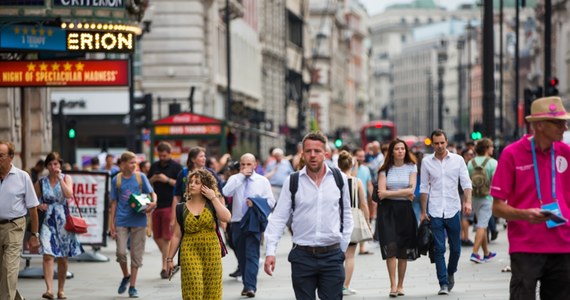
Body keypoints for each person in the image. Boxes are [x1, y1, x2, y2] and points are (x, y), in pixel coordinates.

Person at [491, 96, 570, 299]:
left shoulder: (565, 152)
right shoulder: (512, 154)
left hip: (563, 243)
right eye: (559, 123)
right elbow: (497, 207)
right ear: (540, 125)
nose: (565, 127)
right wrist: (525, 214)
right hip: (526, 245)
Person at [264, 131, 353, 300]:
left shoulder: (338, 179)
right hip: (302, 256)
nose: (313, 155)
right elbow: (278, 218)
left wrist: (342, 248)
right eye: (308, 151)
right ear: (302, 154)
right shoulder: (293, 181)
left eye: (317, 151)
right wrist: (270, 252)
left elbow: (346, 213)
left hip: (332, 255)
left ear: (325, 154)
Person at [419, 129, 472, 295]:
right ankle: (443, 283)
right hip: (435, 210)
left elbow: (466, 183)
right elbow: (424, 187)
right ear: (432, 143)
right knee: (439, 248)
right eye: (436, 143)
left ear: (447, 142)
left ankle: (450, 272)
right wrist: (423, 211)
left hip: (453, 208)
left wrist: (468, 202)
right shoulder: (427, 162)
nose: (440, 146)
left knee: (456, 249)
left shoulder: (458, 160)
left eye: (442, 142)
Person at [166, 169, 231, 300]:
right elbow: (176, 236)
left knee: (212, 290)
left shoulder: (211, 204)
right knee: (193, 287)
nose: (192, 185)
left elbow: (227, 218)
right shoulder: (181, 208)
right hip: (189, 249)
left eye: (197, 182)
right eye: (190, 182)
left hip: (211, 250)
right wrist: (169, 259)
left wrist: (213, 197)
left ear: (205, 186)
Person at [223, 153, 275, 297]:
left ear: (255, 165)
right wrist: (240, 176)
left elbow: (271, 202)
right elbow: (226, 191)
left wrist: (256, 203)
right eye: (242, 164)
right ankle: (247, 283)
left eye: (248, 164)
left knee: (252, 254)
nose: (245, 167)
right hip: (237, 222)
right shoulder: (235, 179)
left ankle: (250, 286)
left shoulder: (262, 181)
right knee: (241, 256)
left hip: (253, 223)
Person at [34, 152, 83, 300]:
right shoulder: (41, 182)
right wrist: (38, 205)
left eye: (56, 164)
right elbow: (31, 201)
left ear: (60, 165)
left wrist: (60, 178)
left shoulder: (66, 178)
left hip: (63, 221)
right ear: (47, 166)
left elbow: (69, 195)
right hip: (47, 221)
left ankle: (61, 290)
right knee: (48, 255)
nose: (53, 167)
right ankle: (49, 289)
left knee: (63, 257)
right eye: (50, 164)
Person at [110, 151, 157, 298]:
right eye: (131, 162)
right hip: (122, 220)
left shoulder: (140, 177)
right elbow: (113, 203)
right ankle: (126, 275)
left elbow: (152, 193)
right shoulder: (116, 180)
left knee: (136, 255)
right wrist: (111, 225)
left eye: (135, 162)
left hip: (139, 219)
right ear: (122, 164)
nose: (134, 165)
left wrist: (154, 202)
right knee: (121, 252)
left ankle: (132, 286)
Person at [377, 139, 419, 297]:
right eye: (397, 149)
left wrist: (389, 192)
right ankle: (392, 285)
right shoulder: (384, 169)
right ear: (392, 152)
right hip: (388, 212)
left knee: (403, 249)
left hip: (405, 211)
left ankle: (401, 285)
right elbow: (381, 193)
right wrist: (401, 192)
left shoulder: (412, 167)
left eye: (403, 148)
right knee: (391, 248)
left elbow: (412, 191)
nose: (400, 151)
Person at [0, 140, 40, 300]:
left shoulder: (22, 177)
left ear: (11, 157)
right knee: (2, 273)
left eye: (1, 155)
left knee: (9, 269)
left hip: (14, 226)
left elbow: (33, 209)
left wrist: (34, 235)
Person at [147, 142, 182, 279]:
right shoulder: (154, 166)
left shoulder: (176, 167)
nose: (162, 158)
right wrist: (153, 179)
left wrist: (166, 179)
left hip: (169, 204)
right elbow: (147, 183)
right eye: (160, 155)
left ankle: (165, 267)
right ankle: (170, 258)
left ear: (170, 153)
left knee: (167, 237)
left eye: (164, 155)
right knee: (156, 236)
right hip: (156, 205)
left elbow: (180, 185)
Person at [337, 151, 370, 295]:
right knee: (350, 256)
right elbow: (363, 204)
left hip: (336, 221)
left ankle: (334, 284)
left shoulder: (335, 181)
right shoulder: (356, 182)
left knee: (336, 255)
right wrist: (367, 221)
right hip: (352, 221)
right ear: (352, 165)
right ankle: (345, 286)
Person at [467, 138, 497, 263]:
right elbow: (496, 182)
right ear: (486, 149)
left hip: (474, 197)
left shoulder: (470, 163)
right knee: (482, 225)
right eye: (491, 146)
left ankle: (486, 253)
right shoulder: (493, 163)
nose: (493, 149)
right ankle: (474, 253)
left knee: (482, 223)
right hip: (487, 197)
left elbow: (467, 181)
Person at [352, 148, 374, 255]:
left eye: (362, 156)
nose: (361, 158)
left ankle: (362, 247)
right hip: (352, 200)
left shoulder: (366, 169)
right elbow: (351, 177)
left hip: (362, 198)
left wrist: (373, 196)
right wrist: (355, 165)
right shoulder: (350, 168)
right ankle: (352, 245)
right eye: (359, 156)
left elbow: (369, 184)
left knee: (363, 221)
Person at [460, 148, 475, 247]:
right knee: (465, 217)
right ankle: (465, 237)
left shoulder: (467, 164)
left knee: (463, 217)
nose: (471, 156)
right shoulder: (465, 165)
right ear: (465, 155)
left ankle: (463, 236)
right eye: (470, 154)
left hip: (463, 193)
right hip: (463, 193)